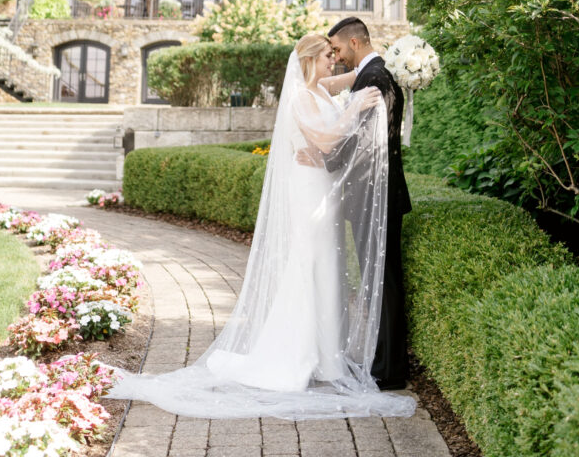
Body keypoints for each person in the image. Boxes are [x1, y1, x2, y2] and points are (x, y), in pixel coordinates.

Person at [109, 33, 416, 421]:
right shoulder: (301, 97)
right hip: (308, 192)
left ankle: (327, 356)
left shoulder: (319, 87)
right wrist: (353, 111)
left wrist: (381, 68)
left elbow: (348, 79)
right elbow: (322, 141)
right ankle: (300, 355)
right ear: (309, 61)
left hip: (323, 188)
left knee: (328, 267)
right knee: (310, 264)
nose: (332, 62)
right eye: (326, 57)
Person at [327, 17, 411, 390]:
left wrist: (325, 158)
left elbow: (363, 140)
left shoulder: (375, 77)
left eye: (339, 48)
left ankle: (389, 369)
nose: (337, 55)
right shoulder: (376, 72)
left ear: (356, 42)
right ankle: (386, 362)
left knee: (383, 278)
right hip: (377, 192)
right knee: (381, 276)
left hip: (374, 194)